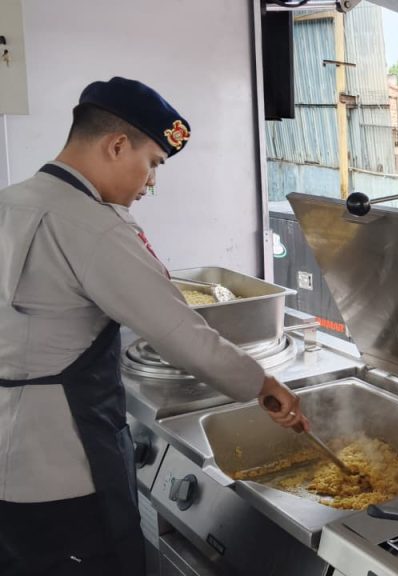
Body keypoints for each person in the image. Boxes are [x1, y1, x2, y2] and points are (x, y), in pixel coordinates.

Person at [0, 77, 307, 576]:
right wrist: (264, 384)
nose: (151, 183)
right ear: (117, 145)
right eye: (153, 163)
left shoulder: (10, 201)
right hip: (64, 474)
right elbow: (183, 335)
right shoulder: (95, 226)